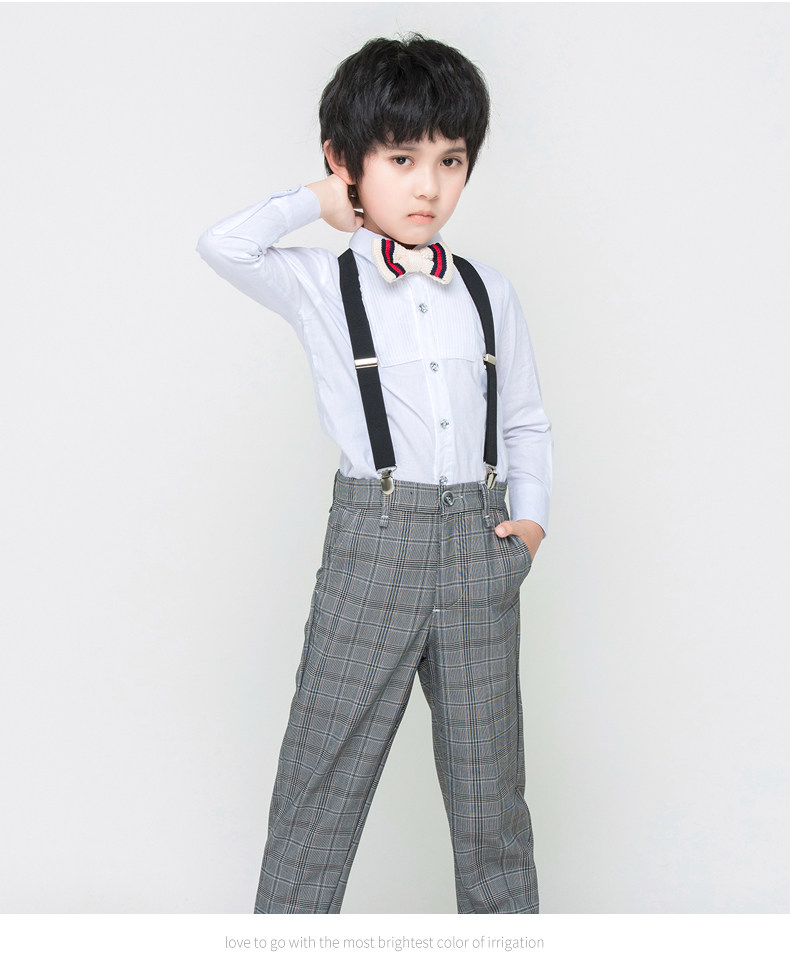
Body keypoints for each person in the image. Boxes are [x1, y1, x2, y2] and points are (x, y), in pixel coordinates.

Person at [195, 33, 552, 915]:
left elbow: (524, 419)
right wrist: (317, 200)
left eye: (450, 160)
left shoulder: (489, 291)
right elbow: (224, 245)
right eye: (401, 159)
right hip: (375, 543)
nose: (428, 186)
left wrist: (530, 522)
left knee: (492, 804)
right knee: (318, 793)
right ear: (346, 160)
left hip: (479, 544)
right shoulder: (321, 283)